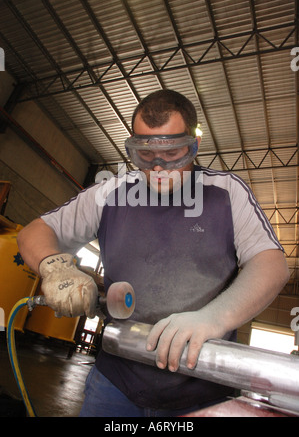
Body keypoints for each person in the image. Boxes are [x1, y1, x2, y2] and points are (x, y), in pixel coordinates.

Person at [17, 89, 289, 417]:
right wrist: (56, 267)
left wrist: (214, 318)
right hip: (115, 383)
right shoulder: (112, 193)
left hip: (200, 389)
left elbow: (271, 264)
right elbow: (36, 232)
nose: (158, 166)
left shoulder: (227, 193)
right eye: (145, 153)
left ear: (194, 145)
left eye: (173, 152)